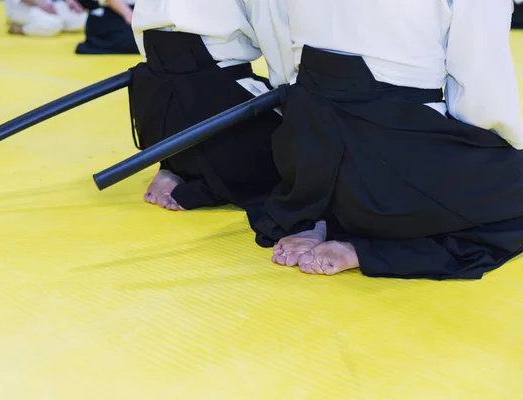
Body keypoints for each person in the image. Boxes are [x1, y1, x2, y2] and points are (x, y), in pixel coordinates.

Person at [254, 0, 523, 280]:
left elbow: (282, 58)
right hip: (389, 165)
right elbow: (482, 99)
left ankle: (319, 215)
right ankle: (370, 247)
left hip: (305, 153)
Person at [129, 0, 293, 221]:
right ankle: (210, 182)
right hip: (213, 110)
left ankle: (173, 166)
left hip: (156, 115)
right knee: (303, 135)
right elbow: (280, 49)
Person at [5, 0, 86, 37]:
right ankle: (19, 28)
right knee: (54, 24)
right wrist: (41, 4)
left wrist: (70, 1)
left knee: (83, 20)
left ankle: (56, 25)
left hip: (50, 4)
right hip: (25, 8)